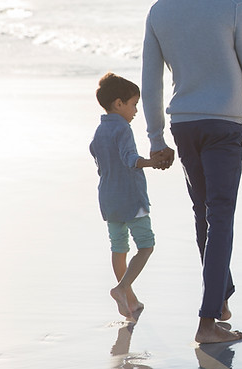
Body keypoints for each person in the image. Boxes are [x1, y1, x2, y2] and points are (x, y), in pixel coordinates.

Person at [142, 0, 242, 343]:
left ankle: (221, 296)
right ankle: (207, 322)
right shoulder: (234, 7)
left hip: (184, 125)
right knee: (219, 217)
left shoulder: (160, 11)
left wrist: (156, 137)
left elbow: (151, 80)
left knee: (204, 214)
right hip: (223, 126)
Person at [89, 72, 163, 322]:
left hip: (108, 198)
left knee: (119, 247)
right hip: (130, 198)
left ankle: (130, 300)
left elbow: (96, 157)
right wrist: (152, 162)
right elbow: (130, 158)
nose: (135, 111)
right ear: (118, 104)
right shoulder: (123, 129)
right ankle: (122, 289)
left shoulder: (100, 130)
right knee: (146, 246)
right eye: (133, 104)